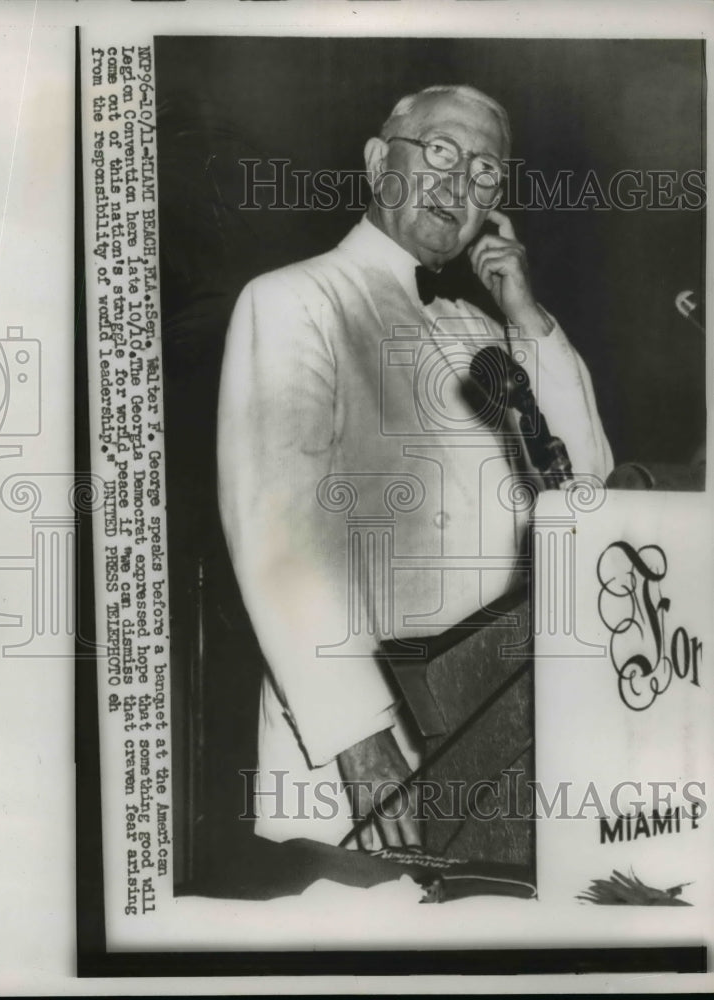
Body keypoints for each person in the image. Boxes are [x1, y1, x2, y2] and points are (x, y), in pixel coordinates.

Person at [217, 84, 612, 851]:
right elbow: (277, 533)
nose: (458, 181)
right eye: (438, 152)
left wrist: (526, 316)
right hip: (366, 748)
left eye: (484, 171)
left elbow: (586, 492)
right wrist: (358, 736)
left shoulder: (483, 330)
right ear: (375, 163)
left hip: (499, 726)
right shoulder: (293, 299)